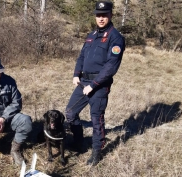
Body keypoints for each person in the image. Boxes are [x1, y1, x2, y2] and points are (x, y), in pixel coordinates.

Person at [65, 1, 125, 166]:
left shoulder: (116, 38)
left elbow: (111, 66)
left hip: (99, 84)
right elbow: (82, 56)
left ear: (111, 15)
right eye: (98, 15)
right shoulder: (91, 35)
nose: (101, 18)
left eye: (104, 15)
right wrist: (76, 74)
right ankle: (78, 141)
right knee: (70, 112)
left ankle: (97, 151)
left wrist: (94, 84)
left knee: (96, 118)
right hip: (83, 82)